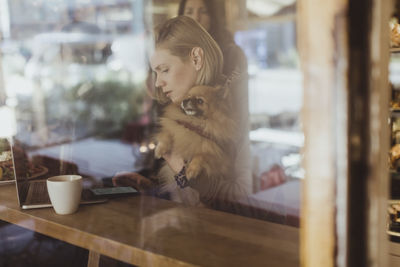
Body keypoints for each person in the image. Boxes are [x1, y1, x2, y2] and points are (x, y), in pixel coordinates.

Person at [113, 16, 247, 207]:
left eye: (165, 70)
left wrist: (180, 167)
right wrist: (150, 187)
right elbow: (189, 196)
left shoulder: (232, 110)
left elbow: (245, 205)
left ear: (196, 58)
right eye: (156, 72)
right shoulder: (180, 112)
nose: (158, 82)